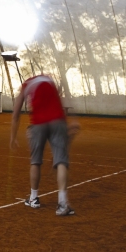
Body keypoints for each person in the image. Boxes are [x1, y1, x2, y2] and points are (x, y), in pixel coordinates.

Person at [9, 73, 79, 216]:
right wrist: (70, 123)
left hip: (38, 123)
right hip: (58, 121)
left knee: (35, 161)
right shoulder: (49, 81)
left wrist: (13, 137)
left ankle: (34, 198)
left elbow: (16, 114)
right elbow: (61, 103)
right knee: (61, 161)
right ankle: (63, 203)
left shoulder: (26, 84)